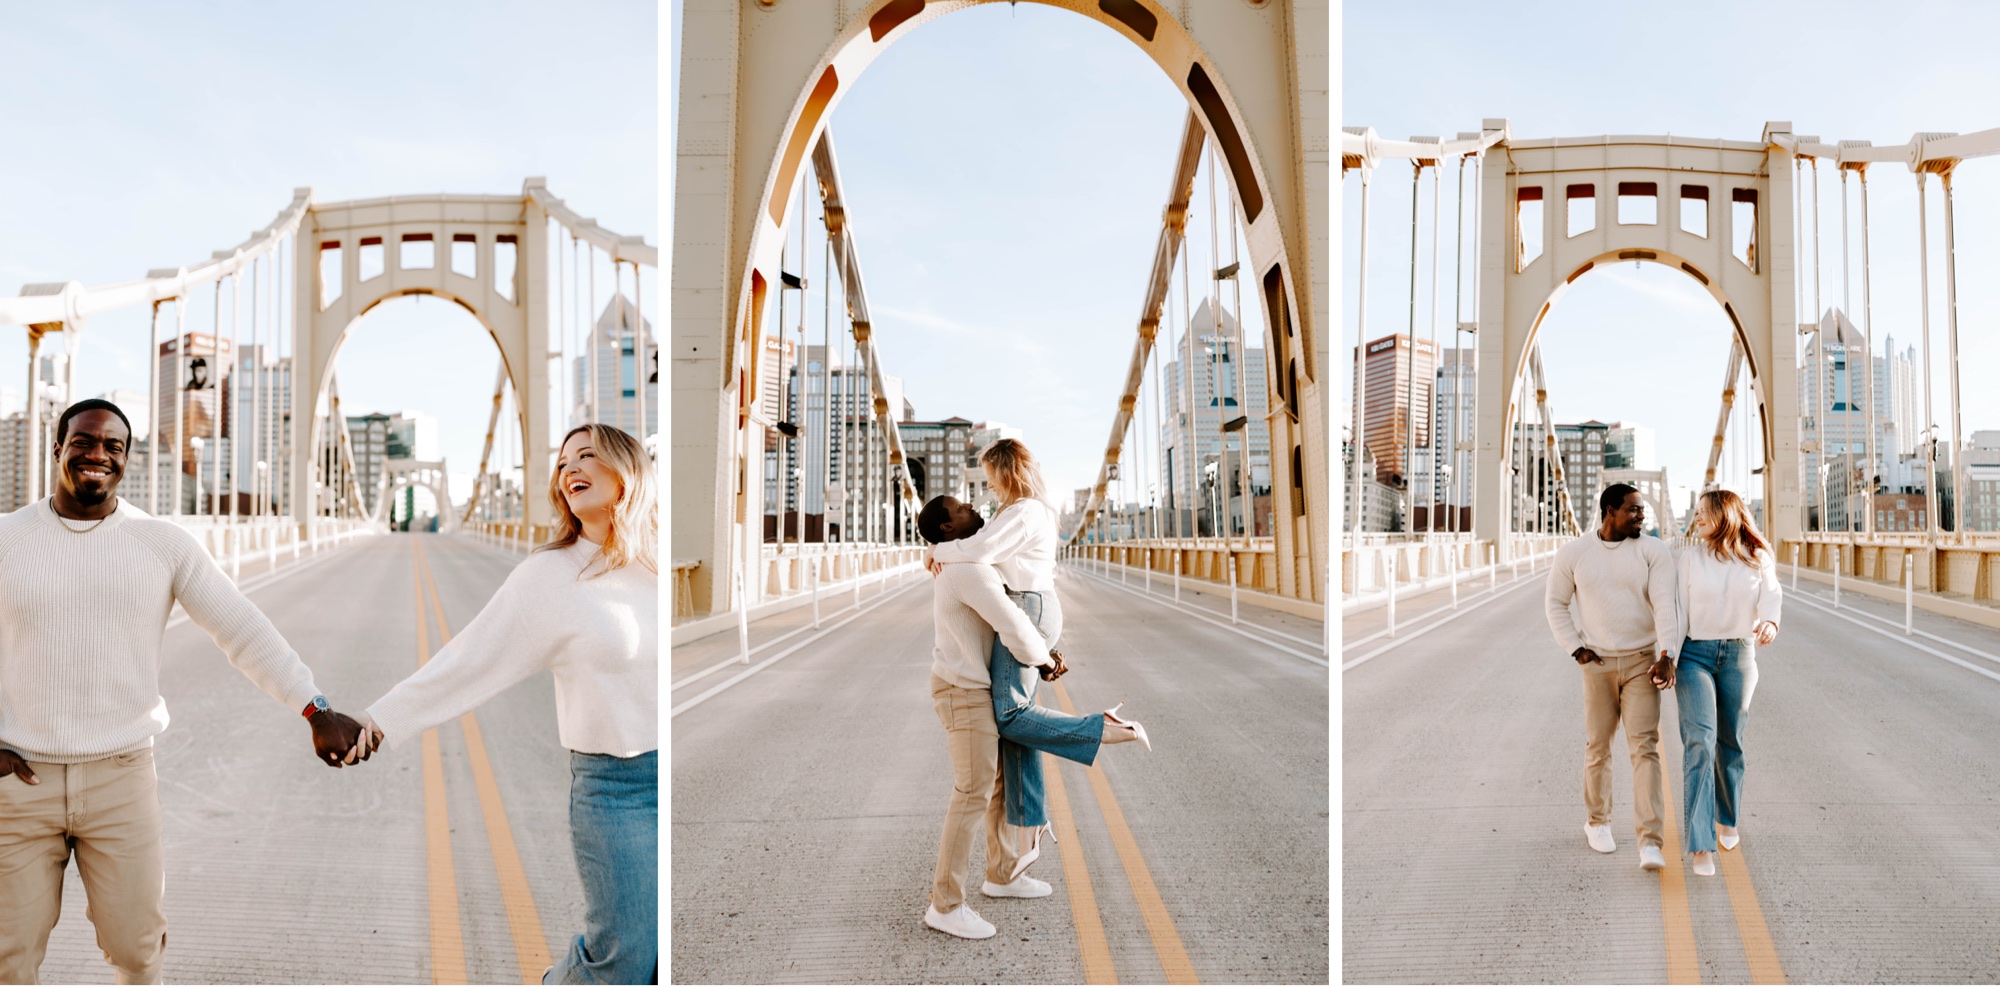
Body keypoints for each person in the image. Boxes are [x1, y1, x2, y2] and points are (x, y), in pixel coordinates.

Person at [0, 398, 368, 984]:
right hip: (20, 782)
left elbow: (241, 627)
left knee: (137, 949)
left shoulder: (162, 542)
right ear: (59, 449)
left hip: (120, 775)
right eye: (83, 441)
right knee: (8, 958)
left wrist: (314, 706)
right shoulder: (8, 538)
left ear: (127, 461)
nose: (97, 454)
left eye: (112, 446)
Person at [347, 423, 658, 984]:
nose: (570, 472)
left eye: (587, 457)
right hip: (618, 792)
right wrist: (378, 722)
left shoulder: (659, 561)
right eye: (563, 465)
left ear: (628, 470)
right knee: (625, 962)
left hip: (672, 775)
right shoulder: (549, 576)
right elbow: (467, 660)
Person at [920, 440, 1149, 889]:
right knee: (1013, 725)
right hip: (1025, 603)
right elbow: (978, 545)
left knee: (1009, 715)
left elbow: (979, 551)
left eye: (989, 477)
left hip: (1030, 606)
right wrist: (936, 550)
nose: (983, 490)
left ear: (1007, 472)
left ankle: (1098, 728)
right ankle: (1029, 832)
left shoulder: (1025, 511)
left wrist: (933, 551)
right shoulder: (1011, 510)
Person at [1544, 483, 1680, 871]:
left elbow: (1666, 605)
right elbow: (1555, 603)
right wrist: (1575, 647)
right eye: (1634, 510)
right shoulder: (1574, 553)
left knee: (1645, 747)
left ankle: (1650, 842)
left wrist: (1668, 654)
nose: (1642, 516)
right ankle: (1597, 822)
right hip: (1598, 664)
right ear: (1609, 511)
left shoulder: (1654, 551)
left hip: (1642, 661)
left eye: (1643, 511)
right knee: (1598, 746)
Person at [1674, 489, 1780, 877]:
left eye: (1704, 512)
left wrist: (1769, 622)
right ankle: (1701, 844)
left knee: (1730, 741)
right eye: (1696, 511)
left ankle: (1728, 817)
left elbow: (1771, 598)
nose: (1697, 517)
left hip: (1739, 655)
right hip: (1693, 656)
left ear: (1725, 514)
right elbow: (1678, 611)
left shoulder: (1757, 558)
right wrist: (1668, 656)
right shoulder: (1689, 558)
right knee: (1700, 741)